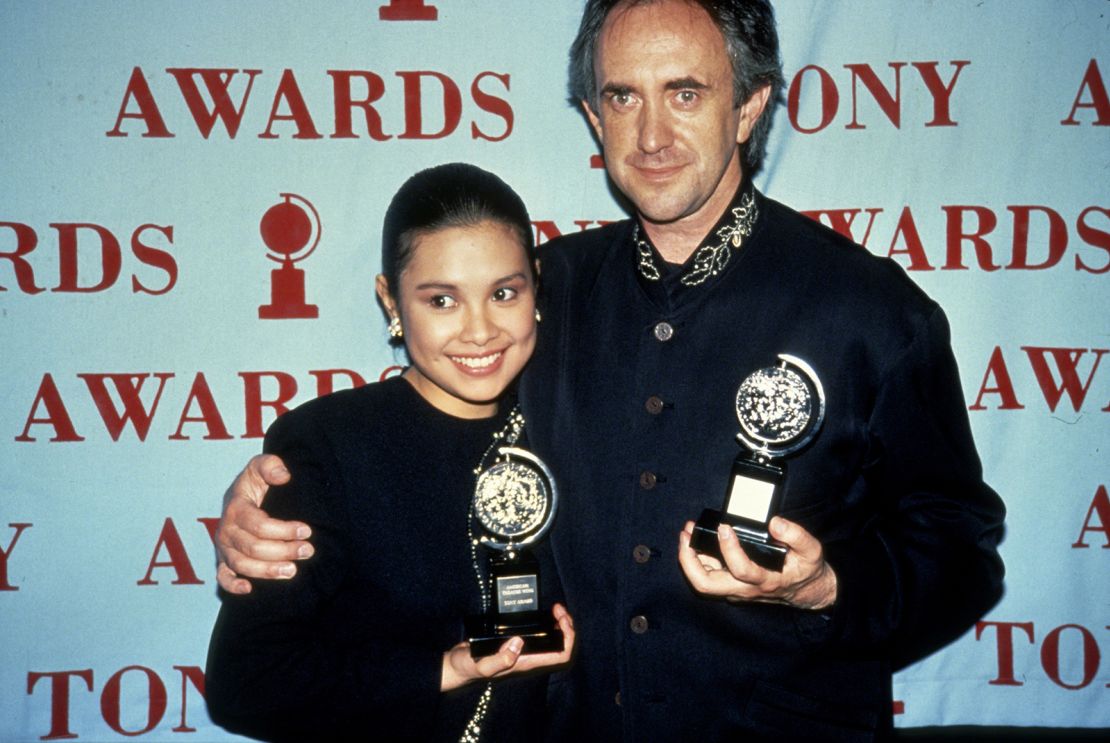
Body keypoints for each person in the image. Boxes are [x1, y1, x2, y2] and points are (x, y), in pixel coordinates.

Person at [215, 2, 1005, 740]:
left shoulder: (869, 312)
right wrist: (277, 497)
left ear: (751, 106)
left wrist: (826, 584)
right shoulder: (538, 294)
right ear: (594, 116)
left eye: (686, 93)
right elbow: (422, 434)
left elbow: (960, 547)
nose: (652, 134)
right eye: (623, 97)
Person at [205, 163, 575, 742]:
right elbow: (247, 682)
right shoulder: (328, 444)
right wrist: (443, 670)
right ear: (392, 301)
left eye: (504, 293)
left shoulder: (575, 426)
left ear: (536, 288)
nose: (480, 331)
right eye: (442, 301)